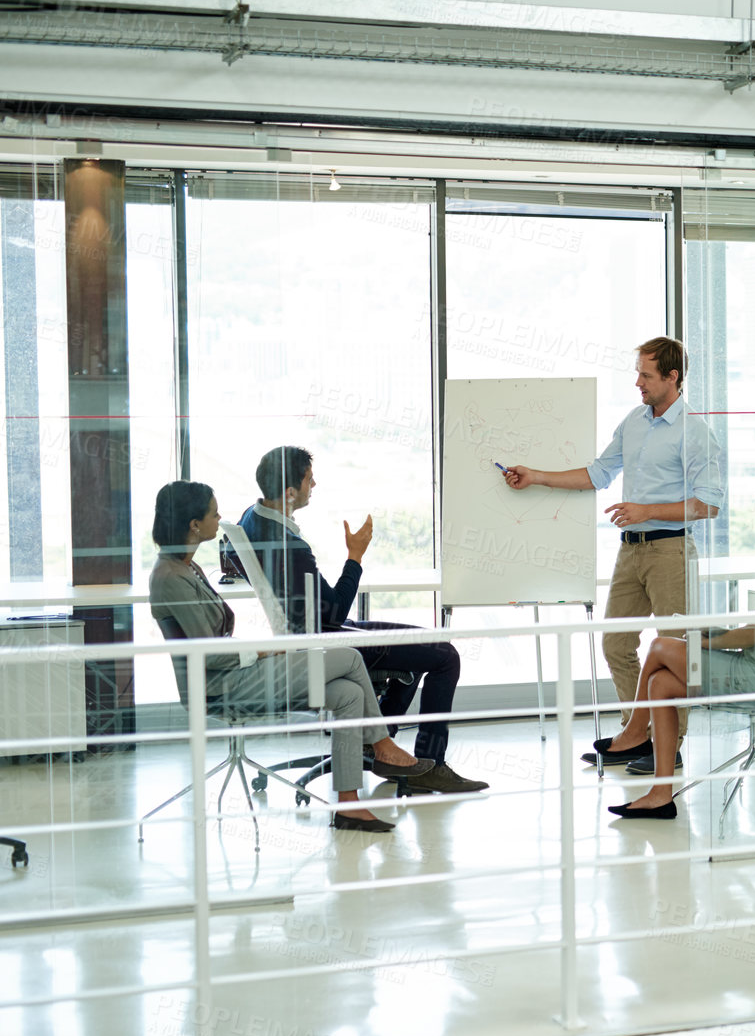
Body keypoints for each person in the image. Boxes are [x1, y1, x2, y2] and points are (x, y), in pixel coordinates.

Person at [148, 481, 433, 833]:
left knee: (350, 695)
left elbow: (216, 640)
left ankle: (348, 805)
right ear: (194, 525)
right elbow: (209, 655)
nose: (219, 518)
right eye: (213, 513)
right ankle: (383, 744)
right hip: (220, 685)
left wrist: (264, 649)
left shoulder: (187, 567)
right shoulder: (170, 577)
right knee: (349, 657)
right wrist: (268, 648)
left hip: (235, 671)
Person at [503, 336, 724, 774]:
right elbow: (599, 473)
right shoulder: (634, 422)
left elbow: (708, 504)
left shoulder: (696, 432)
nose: (637, 382)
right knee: (616, 642)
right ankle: (634, 732)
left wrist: (646, 510)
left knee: (674, 650)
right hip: (632, 552)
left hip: (671, 549)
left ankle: (670, 748)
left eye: (645, 374)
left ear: (672, 377)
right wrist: (536, 477)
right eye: (637, 373)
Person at [220, 446, 486, 796]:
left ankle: (375, 744)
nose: (314, 483)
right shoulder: (289, 546)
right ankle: (430, 765)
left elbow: (229, 552)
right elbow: (337, 610)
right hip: (327, 639)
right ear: (289, 492)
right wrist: (355, 556)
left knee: (425, 646)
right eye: (307, 479)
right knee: (445, 657)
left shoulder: (252, 517)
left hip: (313, 630)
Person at [600, 469, 755, 820]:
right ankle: (660, 794)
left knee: (660, 647)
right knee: (660, 683)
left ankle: (633, 735)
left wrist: (704, 639)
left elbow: (752, 635)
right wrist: (706, 634)